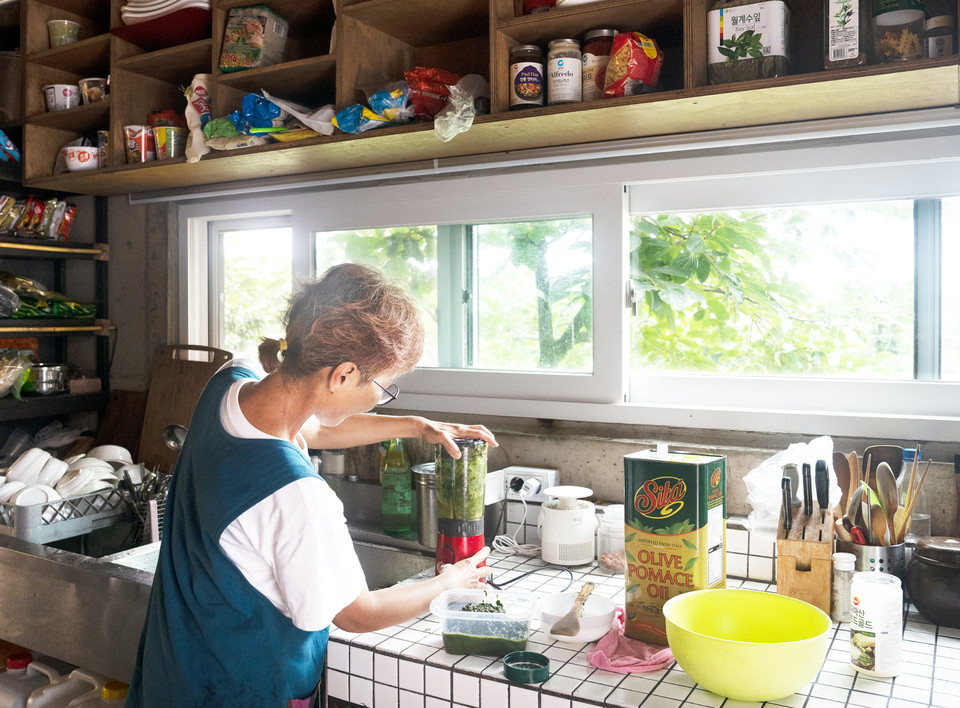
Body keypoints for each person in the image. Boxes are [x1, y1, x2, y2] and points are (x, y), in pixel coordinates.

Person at [126, 264, 496, 708]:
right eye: (385, 386)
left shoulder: (230, 384)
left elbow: (312, 430)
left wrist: (417, 426)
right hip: (237, 692)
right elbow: (358, 614)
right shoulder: (295, 493)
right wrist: (449, 583)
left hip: (173, 673)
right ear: (341, 375)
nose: (384, 396)